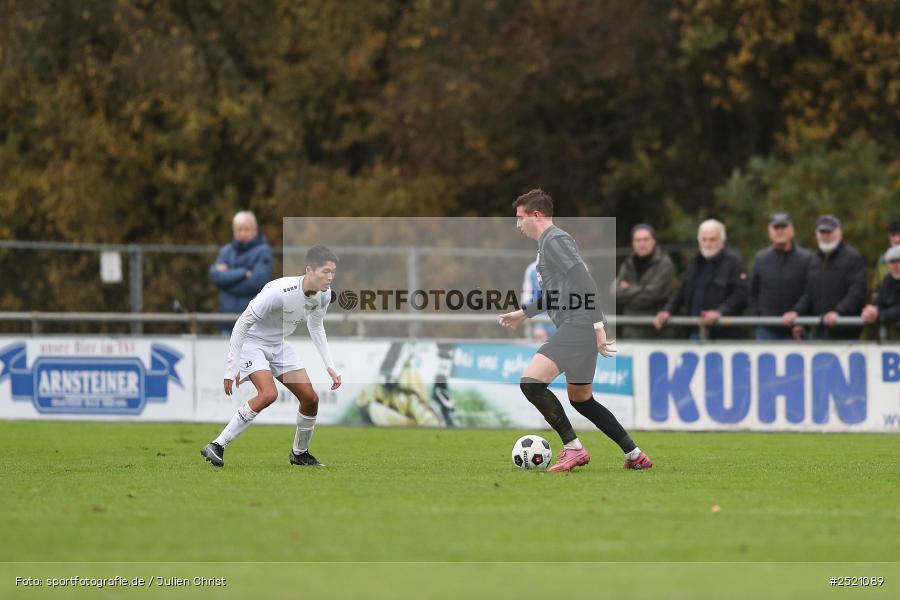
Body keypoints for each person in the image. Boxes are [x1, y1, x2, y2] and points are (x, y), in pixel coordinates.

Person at [498, 189, 652, 472]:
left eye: (520, 218)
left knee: (531, 383)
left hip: (579, 325)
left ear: (536, 215)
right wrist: (523, 314)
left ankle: (573, 449)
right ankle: (635, 455)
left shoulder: (554, 240)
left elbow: (585, 281)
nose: (518, 224)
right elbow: (556, 294)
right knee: (581, 399)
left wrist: (598, 327)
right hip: (580, 326)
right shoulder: (548, 244)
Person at [201, 245, 342, 468]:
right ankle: (217, 445)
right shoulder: (279, 292)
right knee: (268, 394)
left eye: (333, 272)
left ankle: (299, 453)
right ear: (309, 270)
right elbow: (242, 324)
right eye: (325, 271)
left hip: (279, 345)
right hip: (252, 343)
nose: (330, 277)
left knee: (310, 399)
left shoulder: (324, 295)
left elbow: (316, 326)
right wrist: (232, 366)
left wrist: (330, 365)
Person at [654, 219, 748, 339]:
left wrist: (720, 312)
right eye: (704, 239)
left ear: (722, 242)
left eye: (712, 240)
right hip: (694, 332)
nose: (707, 244)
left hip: (724, 335)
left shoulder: (734, 263)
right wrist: (667, 310)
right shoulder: (693, 263)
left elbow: (741, 294)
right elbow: (680, 291)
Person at [783, 215, 867, 340]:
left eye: (829, 231)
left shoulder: (852, 258)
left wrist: (839, 312)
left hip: (846, 330)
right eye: (822, 232)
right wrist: (797, 312)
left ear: (840, 233)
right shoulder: (813, 259)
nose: (826, 235)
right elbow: (809, 294)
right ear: (816, 234)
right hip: (819, 330)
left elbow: (857, 292)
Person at [748, 213, 813, 340]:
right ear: (769, 233)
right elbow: (752, 292)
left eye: (783, 227)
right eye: (776, 227)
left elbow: (810, 292)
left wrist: (799, 316)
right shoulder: (761, 258)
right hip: (767, 331)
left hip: (798, 330)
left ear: (792, 231)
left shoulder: (806, 258)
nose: (780, 231)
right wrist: (758, 318)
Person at [209, 211, 273, 334]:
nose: (243, 233)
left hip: (254, 327)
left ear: (255, 229)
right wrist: (243, 273)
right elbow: (215, 276)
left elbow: (257, 282)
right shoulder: (226, 251)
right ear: (234, 231)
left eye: (247, 229)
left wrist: (227, 283)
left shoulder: (264, 251)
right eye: (239, 230)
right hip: (227, 325)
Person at [612, 224, 674, 339]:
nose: (642, 243)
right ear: (633, 243)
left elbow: (654, 294)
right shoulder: (628, 263)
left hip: (656, 330)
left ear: (654, 241)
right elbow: (616, 293)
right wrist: (642, 289)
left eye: (646, 239)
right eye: (638, 240)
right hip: (630, 330)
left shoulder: (664, 263)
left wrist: (629, 291)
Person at [861, 245, 900, 340]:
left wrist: (878, 314)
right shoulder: (888, 279)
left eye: (898, 261)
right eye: (892, 262)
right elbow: (881, 299)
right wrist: (871, 310)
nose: (895, 265)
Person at [522, 260, 556, 341]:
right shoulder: (532, 270)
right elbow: (527, 300)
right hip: (540, 326)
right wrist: (538, 325)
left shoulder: (577, 267)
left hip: (566, 325)